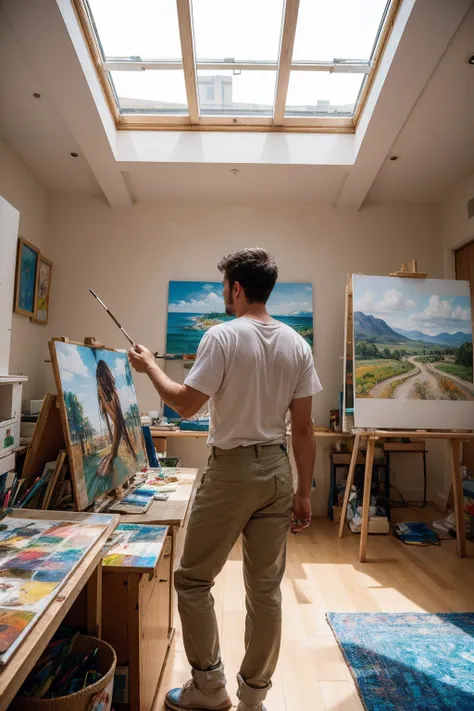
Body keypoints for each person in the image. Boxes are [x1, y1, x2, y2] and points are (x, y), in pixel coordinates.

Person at [128, 248, 322, 711]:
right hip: (277, 470)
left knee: (193, 580)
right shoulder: (297, 343)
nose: (223, 296)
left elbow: (186, 404)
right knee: (266, 590)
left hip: (231, 472)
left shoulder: (222, 337)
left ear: (237, 288)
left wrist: (150, 365)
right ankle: (254, 697)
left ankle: (210, 688)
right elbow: (304, 428)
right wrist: (302, 492)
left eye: (224, 288)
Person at [96, 359, 137, 478]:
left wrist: (113, 453)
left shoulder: (109, 396)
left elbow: (117, 425)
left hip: (122, 451)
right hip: (124, 448)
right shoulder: (114, 392)